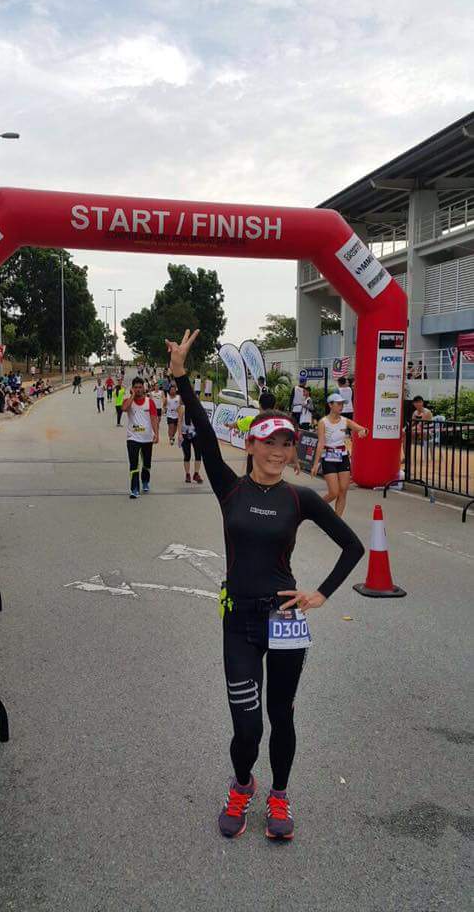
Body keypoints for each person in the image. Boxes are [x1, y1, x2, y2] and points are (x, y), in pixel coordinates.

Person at [166, 330, 364, 841]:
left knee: (282, 715)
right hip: (239, 622)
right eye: (268, 442)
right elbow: (203, 430)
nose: (277, 451)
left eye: (285, 443)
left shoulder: (301, 499)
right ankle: (242, 785)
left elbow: (353, 547)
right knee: (247, 726)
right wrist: (181, 376)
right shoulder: (229, 488)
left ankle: (279, 794)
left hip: (286, 620)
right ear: (251, 443)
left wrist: (320, 593)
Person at [311, 393, 368, 517]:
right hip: (328, 458)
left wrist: (363, 432)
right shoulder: (323, 422)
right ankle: (314, 508)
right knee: (334, 492)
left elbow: (363, 429)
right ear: (330, 405)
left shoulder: (345, 421)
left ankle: (337, 521)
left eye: (342, 404)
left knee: (343, 491)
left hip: (343, 457)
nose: (341, 406)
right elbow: (320, 443)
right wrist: (315, 464)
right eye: (338, 404)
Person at [122, 377, 159, 498]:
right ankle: (134, 489)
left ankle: (145, 481)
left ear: (143, 388)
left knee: (146, 463)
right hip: (132, 438)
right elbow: (124, 409)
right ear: (132, 389)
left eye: (140, 387)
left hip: (147, 438)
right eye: (135, 387)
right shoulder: (128, 401)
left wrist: (156, 434)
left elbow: (154, 418)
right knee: (134, 464)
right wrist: (132, 396)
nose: (138, 389)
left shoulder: (150, 402)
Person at [178, 404, 203, 484]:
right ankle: (187, 474)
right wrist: (179, 434)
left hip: (195, 433)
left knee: (198, 454)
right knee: (187, 455)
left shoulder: (197, 407)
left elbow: (201, 420)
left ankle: (196, 474)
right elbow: (180, 421)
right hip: (185, 433)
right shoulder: (183, 408)